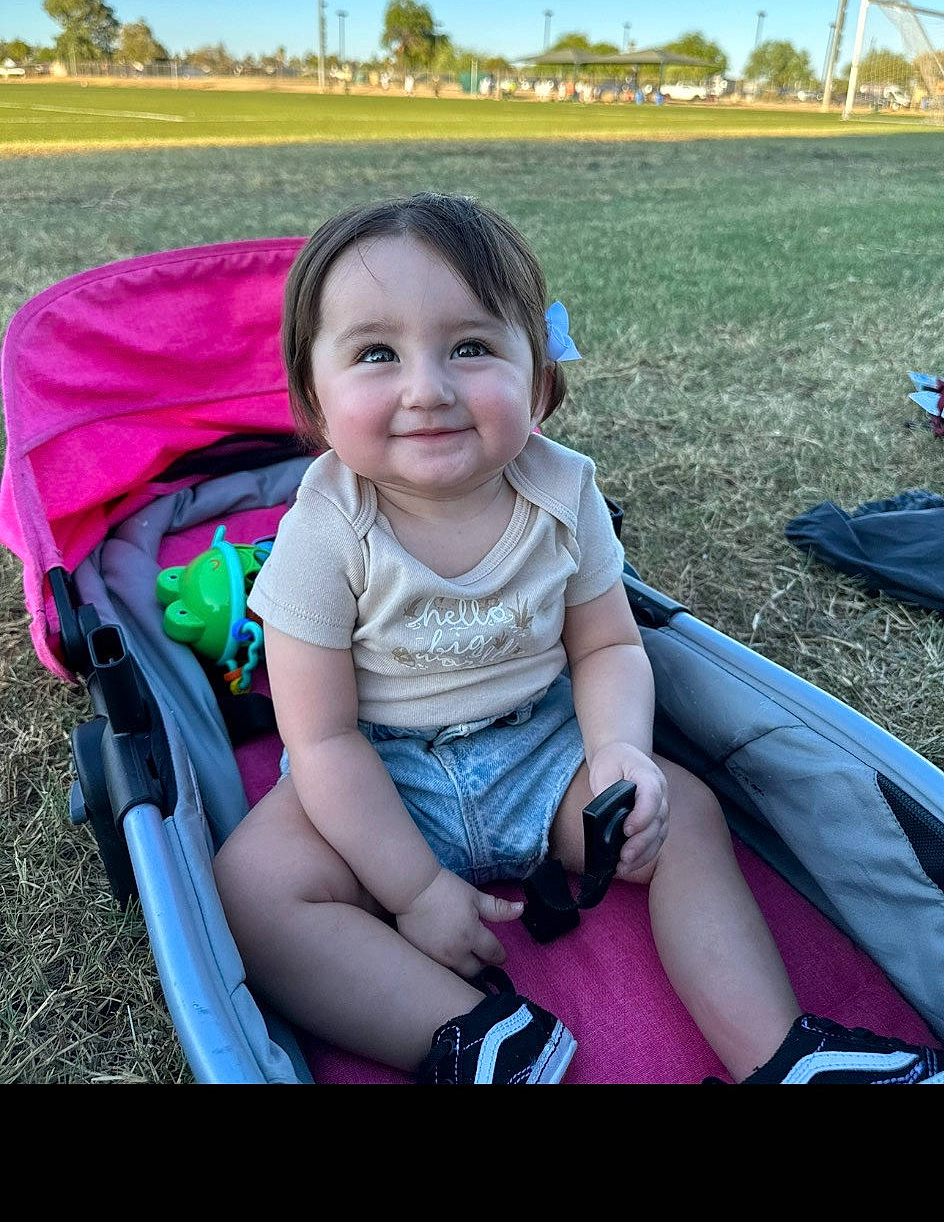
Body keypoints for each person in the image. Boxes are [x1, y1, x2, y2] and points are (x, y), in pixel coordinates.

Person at [214, 192, 944, 1086]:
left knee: (688, 816)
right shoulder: (322, 536)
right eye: (376, 354)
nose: (428, 389)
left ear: (541, 378)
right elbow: (319, 738)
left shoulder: (565, 496)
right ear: (315, 401)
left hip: (542, 749)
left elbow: (606, 647)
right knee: (251, 890)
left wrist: (620, 757)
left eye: (471, 347)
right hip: (378, 773)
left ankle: (780, 1053)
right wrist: (416, 893)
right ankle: (472, 1039)